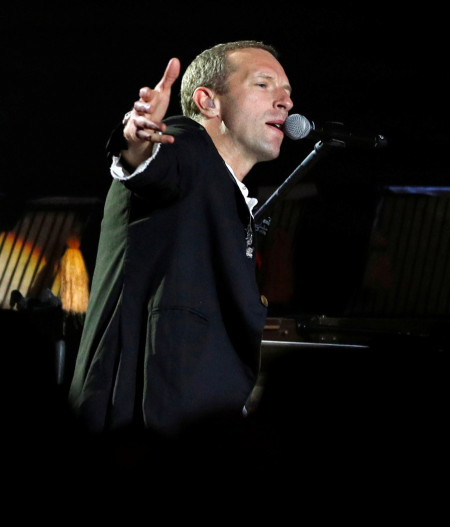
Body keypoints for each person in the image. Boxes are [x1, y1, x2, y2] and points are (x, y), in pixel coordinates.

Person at [68, 40, 294, 436]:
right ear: (208, 102)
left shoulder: (220, 187)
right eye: (263, 85)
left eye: (288, 93)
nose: (285, 102)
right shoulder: (186, 143)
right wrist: (136, 138)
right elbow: (149, 160)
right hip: (142, 426)